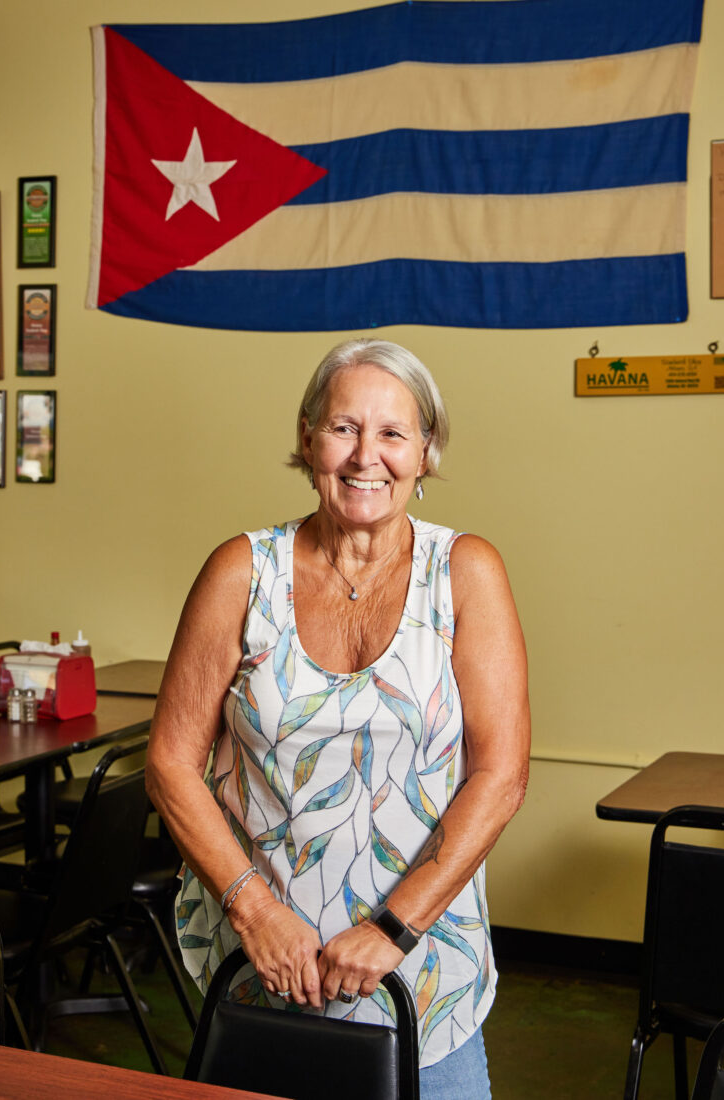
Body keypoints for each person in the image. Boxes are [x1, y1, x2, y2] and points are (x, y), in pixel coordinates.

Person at [146, 338, 530, 1099]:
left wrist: (393, 929)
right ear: (308, 437)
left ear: (425, 451)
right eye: (344, 428)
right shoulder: (240, 571)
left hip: (424, 971)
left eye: (392, 433)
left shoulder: (466, 572)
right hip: (260, 965)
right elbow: (170, 764)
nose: (366, 457)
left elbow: (501, 775)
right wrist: (255, 913)